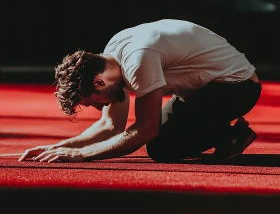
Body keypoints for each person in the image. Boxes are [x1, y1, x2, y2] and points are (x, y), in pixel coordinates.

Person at [19, 19, 262, 163]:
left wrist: (83, 155)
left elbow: (145, 129)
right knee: (161, 145)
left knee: (160, 147)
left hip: (237, 88)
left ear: (99, 83)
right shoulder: (110, 58)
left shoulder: (137, 59)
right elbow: (110, 127)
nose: (99, 107)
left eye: (93, 101)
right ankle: (221, 131)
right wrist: (62, 148)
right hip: (202, 91)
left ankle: (232, 135)